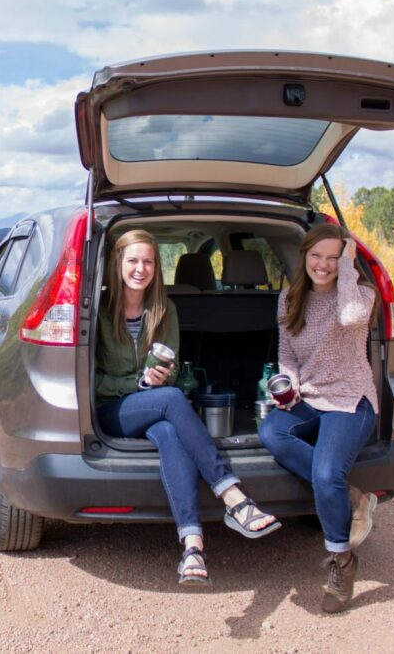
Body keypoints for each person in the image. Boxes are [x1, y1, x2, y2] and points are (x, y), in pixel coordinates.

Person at [95, 229, 281, 586]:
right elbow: (90, 382)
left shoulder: (166, 309)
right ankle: (232, 494)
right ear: (118, 263)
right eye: (132, 260)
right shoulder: (98, 311)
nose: (141, 268)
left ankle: (192, 547)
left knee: (167, 430)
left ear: (156, 268)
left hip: (155, 404)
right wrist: (137, 385)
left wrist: (161, 376)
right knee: (172, 400)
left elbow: (176, 369)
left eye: (148, 261)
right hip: (111, 409)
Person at [258, 223, 379, 613]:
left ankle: (341, 561)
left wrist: (349, 265)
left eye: (332, 257)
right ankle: (351, 499)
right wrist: (288, 385)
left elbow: (349, 317)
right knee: (273, 433)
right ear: (304, 256)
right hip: (309, 397)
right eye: (316, 256)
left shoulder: (361, 295)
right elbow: (288, 354)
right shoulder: (289, 298)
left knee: (327, 474)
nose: (323, 265)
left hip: (349, 399)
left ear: (343, 260)